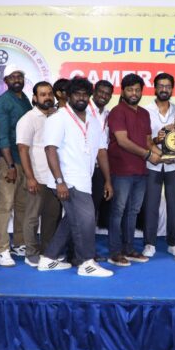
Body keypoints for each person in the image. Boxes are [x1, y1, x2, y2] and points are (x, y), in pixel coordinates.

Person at [40, 76, 114, 277]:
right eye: (76, 94)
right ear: (68, 95)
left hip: (84, 179)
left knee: (71, 220)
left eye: (85, 94)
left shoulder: (93, 121)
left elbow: (101, 151)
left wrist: (107, 180)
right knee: (86, 220)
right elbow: (50, 150)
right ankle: (86, 263)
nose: (81, 98)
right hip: (67, 180)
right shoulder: (58, 118)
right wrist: (59, 182)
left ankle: (49, 259)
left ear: (89, 96)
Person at [107, 74, 160, 266]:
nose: (134, 93)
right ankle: (115, 252)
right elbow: (122, 141)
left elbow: (148, 142)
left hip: (141, 171)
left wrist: (162, 155)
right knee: (118, 211)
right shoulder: (117, 112)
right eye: (130, 90)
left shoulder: (145, 113)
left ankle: (128, 249)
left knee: (133, 211)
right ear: (123, 91)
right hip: (121, 170)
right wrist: (148, 155)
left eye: (137, 90)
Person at [16, 81, 62, 268]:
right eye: (43, 94)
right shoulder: (28, 119)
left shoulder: (56, 117)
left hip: (53, 179)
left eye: (50, 93)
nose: (47, 97)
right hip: (37, 177)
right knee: (32, 217)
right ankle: (31, 253)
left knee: (52, 216)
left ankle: (47, 252)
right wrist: (30, 177)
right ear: (35, 98)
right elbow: (22, 149)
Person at [0, 64, 32, 266]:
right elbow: (2, 137)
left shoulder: (24, 100)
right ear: (5, 80)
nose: (17, 79)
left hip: (24, 160)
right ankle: (2, 249)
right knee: (5, 205)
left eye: (20, 76)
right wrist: (10, 166)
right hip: (8, 161)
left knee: (22, 205)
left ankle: (19, 243)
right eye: (13, 77)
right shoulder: (2, 102)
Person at [143, 73, 175, 259]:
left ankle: (174, 243)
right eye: (161, 86)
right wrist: (157, 142)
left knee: (174, 205)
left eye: (168, 86)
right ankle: (149, 243)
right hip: (152, 164)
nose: (164, 89)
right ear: (155, 88)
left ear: (172, 89)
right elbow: (144, 140)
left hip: (174, 165)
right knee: (151, 205)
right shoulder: (145, 111)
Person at [89, 80, 113, 250]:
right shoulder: (83, 111)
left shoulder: (106, 114)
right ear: (94, 92)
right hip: (83, 169)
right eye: (101, 92)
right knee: (83, 213)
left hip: (98, 169)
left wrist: (107, 178)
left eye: (107, 94)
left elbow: (104, 146)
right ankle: (77, 250)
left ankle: (88, 249)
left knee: (94, 211)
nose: (103, 96)